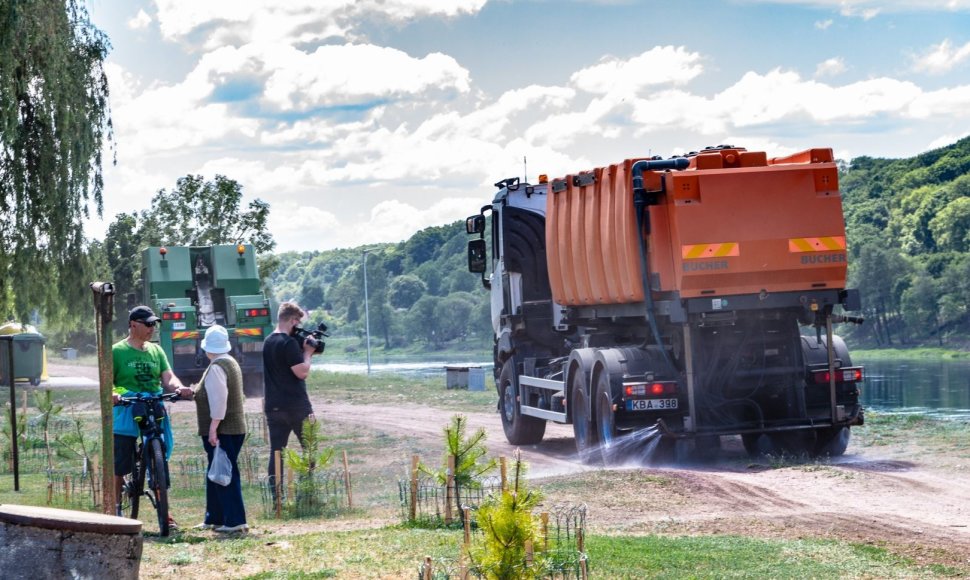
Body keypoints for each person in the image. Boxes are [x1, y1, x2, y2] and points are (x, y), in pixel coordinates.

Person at [112, 305, 192, 523]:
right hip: (127, 407)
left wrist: (179, 388)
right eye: (148, 324)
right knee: (120, 461)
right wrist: (115, 394)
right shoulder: (117, 351)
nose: (152, 328)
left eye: (154, 324)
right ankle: (115, 507)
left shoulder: (156, 351)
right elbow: (109, 382)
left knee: (159, 456)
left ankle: (164, 511)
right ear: (133, 325)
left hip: (152, 405)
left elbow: (168, 377)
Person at [192, 324, 247, 533]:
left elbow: (219, 400)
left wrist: (214, 428)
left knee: (225, 474)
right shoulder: (230, 362)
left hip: (225, 429)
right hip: (233, 427)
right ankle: (213, 517)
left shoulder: (216, 367)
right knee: (216, 471)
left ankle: (234, 521)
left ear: (208, 347)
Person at [263, 301, 317, 495]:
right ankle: (307, 493)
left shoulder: (268, 341)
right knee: (309, 448)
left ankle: (276, 498)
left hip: (273, 406)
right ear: (293, 320)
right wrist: (308, 353)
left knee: (276, 452)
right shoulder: (288, 343)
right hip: (296, 406)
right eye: (298, 322)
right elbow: (301, 372)